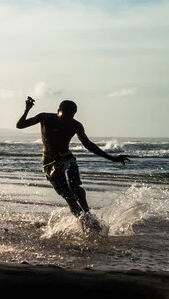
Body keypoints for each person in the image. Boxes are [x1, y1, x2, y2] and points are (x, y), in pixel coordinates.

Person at [16, 97, 130, 230]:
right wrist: (27, 109)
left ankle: (87, 213)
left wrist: (112, 158)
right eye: (64, 116)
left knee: (75, 187)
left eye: (70, 117)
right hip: (49, 163)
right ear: (58, 111)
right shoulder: (45, 118)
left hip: (67, 158)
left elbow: (88, 145)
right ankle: (84, 222)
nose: (66, 120)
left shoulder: (75, 125)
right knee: (68, 196)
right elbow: (20, 125)